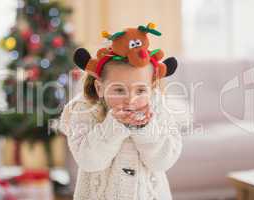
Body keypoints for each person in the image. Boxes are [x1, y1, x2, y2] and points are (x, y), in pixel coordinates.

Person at [59, 23, 182, 200]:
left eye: (140, 91)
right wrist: (114, 125)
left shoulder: (158, 108)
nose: (130, 100)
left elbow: (162, 161)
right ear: (100, 88)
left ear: (151, 88)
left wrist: (145, 129)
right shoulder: (84, 109)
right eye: (119, 90)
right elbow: (89, 161)